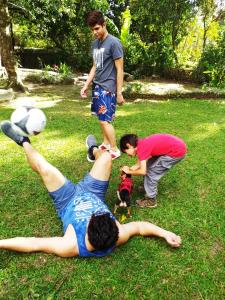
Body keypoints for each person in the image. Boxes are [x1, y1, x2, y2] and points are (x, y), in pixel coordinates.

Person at [0, 121, 181, 257]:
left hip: (67, 199)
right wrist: (165, 233)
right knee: (107, 158)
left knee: (44, 168)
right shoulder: (119, 234)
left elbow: (33, 243)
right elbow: (141, 227)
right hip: (94, 191)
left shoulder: (70, 246)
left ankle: (23, 141)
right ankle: (94, 150)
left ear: (88, 231)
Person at [80, 10, 125, 160]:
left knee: (105, 120)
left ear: (104, 25)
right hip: (97, 86)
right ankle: (105, 143)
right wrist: (86, 84)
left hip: (108, 88)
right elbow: (95, 66)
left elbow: (119, 69)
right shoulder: (95, 44)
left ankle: (114, 149)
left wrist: (119, 93)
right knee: (101, 119)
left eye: (97, 28)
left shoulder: (114, 43)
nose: (94, 32)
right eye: (92, 29)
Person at [120, 133, 187, 208]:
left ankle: (151, 200)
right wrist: (130, 169)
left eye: (126, 152)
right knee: (149, 166)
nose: (128, 155)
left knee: (151, 173)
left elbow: (143, 171)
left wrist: (129, 172)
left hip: (175, 152)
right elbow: (140, 162)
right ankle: (148, 187)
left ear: (129, 145)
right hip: (175, 148)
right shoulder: (141, 144)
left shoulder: (142, 147)